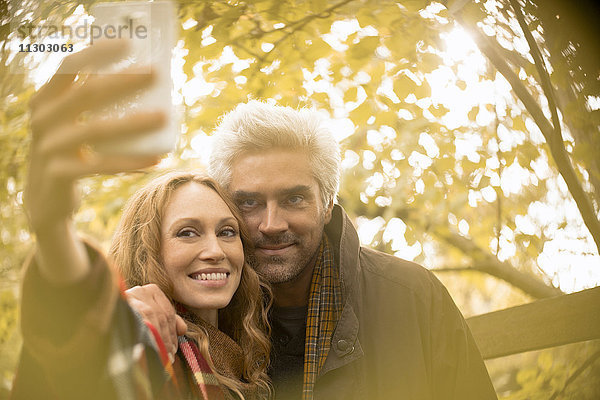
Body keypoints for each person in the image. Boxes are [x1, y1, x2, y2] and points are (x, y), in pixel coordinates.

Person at [134, 100, 498, 399]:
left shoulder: (411, 297)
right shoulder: (199, 314)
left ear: (326, 205)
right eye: (248, 203)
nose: (272, 223)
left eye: (294, 198)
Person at [11, 41, 271, 400]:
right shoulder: (144, 339)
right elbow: (79, 328)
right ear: (147, 251)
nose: (215, 250)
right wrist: (53, 228)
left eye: (227, 232)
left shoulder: (250, 365)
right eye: (187, 233)